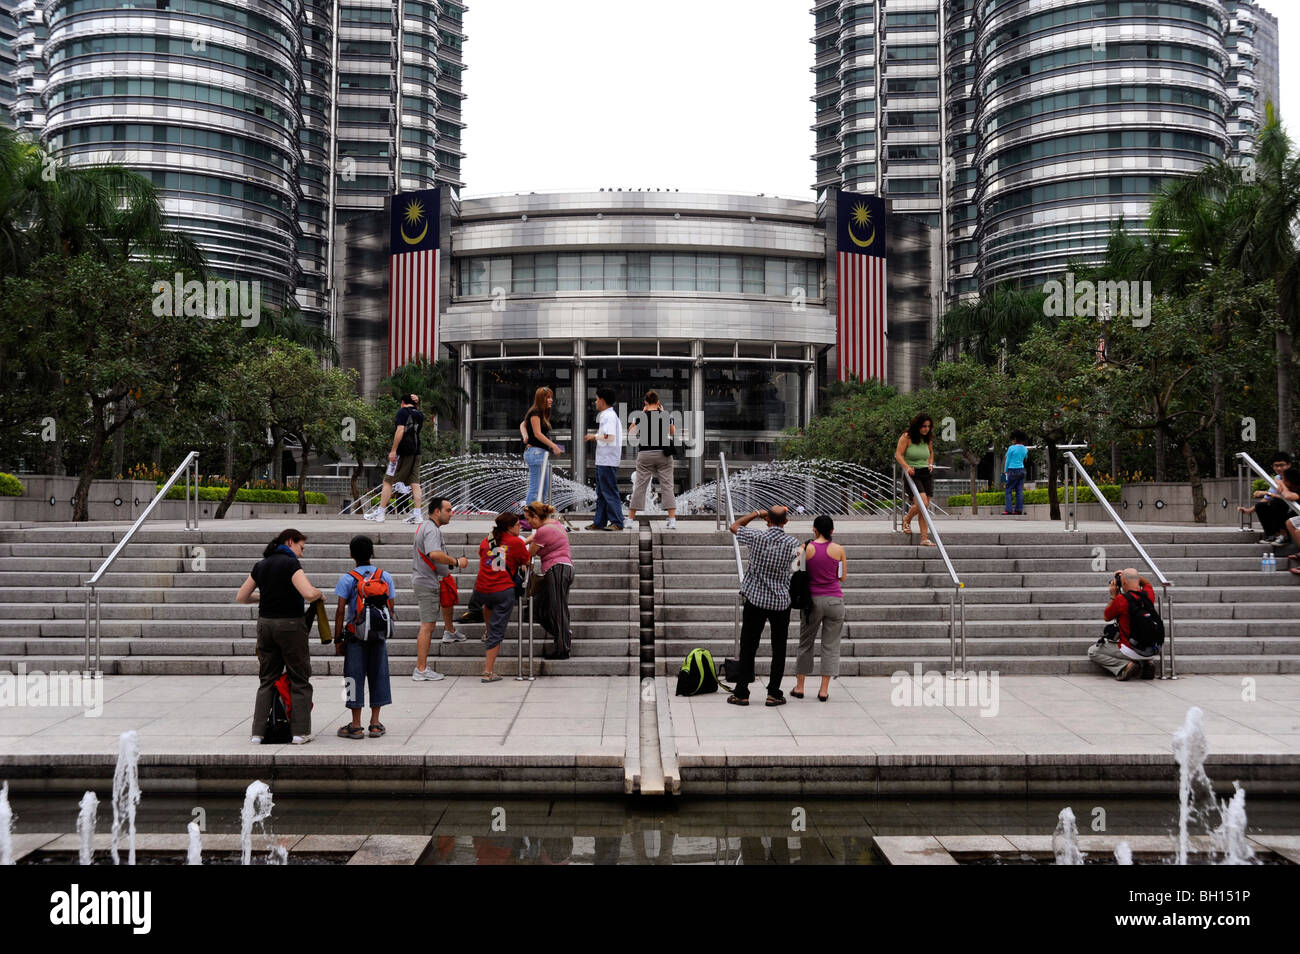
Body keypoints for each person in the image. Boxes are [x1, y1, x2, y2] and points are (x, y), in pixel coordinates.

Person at [236, 529, 322, 744]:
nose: (301, 554)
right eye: (301, 548)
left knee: (267, 678)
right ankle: (300, 732)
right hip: (290, 626)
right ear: (290, 541)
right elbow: (308, 594)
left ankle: (258, 732)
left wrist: (265, 596)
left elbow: (242, 597)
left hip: (265, 626)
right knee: (299, 677)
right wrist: (319, 593)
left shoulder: (261, 565)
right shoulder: (290, 564)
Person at [727, 505, 801, 706]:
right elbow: (797, 567)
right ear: (786, 522)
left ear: (768, 520)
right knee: (779, 648)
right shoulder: (793, 543)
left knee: (749, 646)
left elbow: (734, 526)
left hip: (755, 599)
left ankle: (741, 692)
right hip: (780, 601)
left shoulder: (756, 537)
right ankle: (774, 693)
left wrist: (756, 513)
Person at [332, 535, 394, 738]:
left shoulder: (347, 579)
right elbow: (390, 607)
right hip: (378, 635)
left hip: (354, 637)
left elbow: (340, 610)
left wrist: (338, 638)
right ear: (372, 553)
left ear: (351, 555)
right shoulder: (385, 576)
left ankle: (356, 725)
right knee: (379, 675)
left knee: (351, 678)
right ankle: (375, 724)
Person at [411, 496, 469, 682]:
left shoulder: (428, 527)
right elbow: (434, 554)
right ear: (437, 511)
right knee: (427, 627)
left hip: (426, 580)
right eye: (448, 510)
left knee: (428, 625)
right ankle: (420, 669)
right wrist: (456, 562)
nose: (451, 514)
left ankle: (422, 667)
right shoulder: (431, 530)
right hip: (426, 583)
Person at [793, 515, 847, 702]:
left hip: (812, 602)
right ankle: (823, 690)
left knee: (806, 643)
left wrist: (802, 552)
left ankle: (800, 687)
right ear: (832, 531)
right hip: (835, 601)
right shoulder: (839, 549)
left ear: (814, 529)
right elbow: (842, 577)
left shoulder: (805, 548)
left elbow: (796, 571)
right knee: (831, 646)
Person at [476, 512, 529, 682]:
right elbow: (526, 561)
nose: (520, 527)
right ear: (509, 527)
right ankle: (488, 672)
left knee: (489, 607)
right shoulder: (516, 542)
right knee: (497, 632)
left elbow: (492, 560)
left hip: (483, 588)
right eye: (518, 525)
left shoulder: (488, 540)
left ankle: (487, 629)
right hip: (502, 590)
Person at [1088, 567, 1159, 680]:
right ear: (1137, 580)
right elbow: (1147, 583)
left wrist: (1113, 595)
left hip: (1130, 649)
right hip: (1151, 649)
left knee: (1093, 651)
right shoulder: (1148, 594)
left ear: (1123, 583)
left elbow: (1107, 616)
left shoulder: (1121, 600)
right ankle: (1147, 663)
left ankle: (1125, 666)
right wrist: (1131, 576)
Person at [524, 501, 574, 660]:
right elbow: (534, 537)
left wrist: (518, 544)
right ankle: (563, 634)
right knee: (538, 608)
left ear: (537, 517)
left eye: (529, 519)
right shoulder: (556, 525)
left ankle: (562, 649)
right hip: (560, 570)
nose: (528, 522)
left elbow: (529, 553)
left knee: (558, 610)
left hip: (557, 570)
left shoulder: (543, 531)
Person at [365, 394, 425, 524]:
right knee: (415, 483)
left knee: (388, 481)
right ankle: (417, 515)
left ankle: (380, 513)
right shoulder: (419, 414)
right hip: (416, 452)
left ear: (402, 402)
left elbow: (400, 430)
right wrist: (417, 403)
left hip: (402, 453)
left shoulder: (402, 412)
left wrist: (393, 450)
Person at [627, 389, 678, 529]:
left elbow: (631, 433)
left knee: (639, 486)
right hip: (663, 454)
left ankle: (630, 520)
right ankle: (672, 520)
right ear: (658, 402)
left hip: (645, 454)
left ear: (645, 402)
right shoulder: (665, 415)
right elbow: (672, 432)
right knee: (667, 486)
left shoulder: (640, 415)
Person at [584, 386, 624, 530]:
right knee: (601, 493)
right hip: (604, 460)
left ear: (602, 400)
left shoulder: (608, 416)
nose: (595, 402)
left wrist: (593, 436)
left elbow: (609, 436)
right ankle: (599, 521)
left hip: (607, 460)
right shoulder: (609, 415)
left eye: (596, 399)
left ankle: (617, 522)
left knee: (608, 491)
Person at [895, 413, 935, 546]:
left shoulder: (927, 438)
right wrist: (906, 467)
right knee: (922, 503)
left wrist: (930, 463)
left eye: (928, 426)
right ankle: (907, 518)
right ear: (917, 425)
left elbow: (931, 452)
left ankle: (924, 538)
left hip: (926, 473)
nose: (926, 429)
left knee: (925, 506)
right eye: (924, 426)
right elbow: (899, 455)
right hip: (913, 473)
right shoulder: (907, 437)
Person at [1238, 451, 1296, 544]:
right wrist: (1249, 510)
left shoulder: (1295, 477)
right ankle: (1271, 535)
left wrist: (1267, 493)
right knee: (1261, 506)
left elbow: (1289, 497)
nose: (1279, 468)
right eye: (1276, 466)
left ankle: (1284, 535)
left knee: (1277, 502)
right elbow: (1267, 498)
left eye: (1282, 465)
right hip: (1285, 510)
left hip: (1295, 510)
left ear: (1289, 465)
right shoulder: (1277, 478)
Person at [521, 387, 563, 507]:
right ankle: (529, 517)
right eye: (548, 397)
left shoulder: (541, 413)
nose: (551, 400)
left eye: (551, 397)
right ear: (541, 399)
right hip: (535, 454)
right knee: (536, 488)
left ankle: (538, 516)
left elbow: (522, 425)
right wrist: (554, 446)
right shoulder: (535, 412)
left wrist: (525, 436)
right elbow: (538, 434)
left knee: (544, 489)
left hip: (540, 454)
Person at [1003, 430, 1029, 515]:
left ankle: (1009, 509)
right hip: (1021, 470)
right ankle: (1018, 510)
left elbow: (1008, 460)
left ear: (1015, 439)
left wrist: (1005, 470)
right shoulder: (1025, 449)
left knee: (1008, 490)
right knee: (1019, 490)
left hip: (1012, 470)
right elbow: (1026, 458)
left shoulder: (1011, 448)